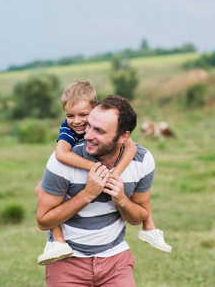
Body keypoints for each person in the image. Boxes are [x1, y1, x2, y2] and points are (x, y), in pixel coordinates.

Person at [37, 95, 171, 286]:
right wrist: (87, 195)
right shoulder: (63, 161)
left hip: (116, 262)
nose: (87, 135)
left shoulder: (142, 161)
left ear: (123, 137)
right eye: (89, 125)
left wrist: (122, 199)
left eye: (99, 130)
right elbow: (43, 221)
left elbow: (137, 218)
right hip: (66, 263)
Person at [35, 81, 138, 265]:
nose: (77, 121)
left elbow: (131, 147)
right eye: (69, 115)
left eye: (83, 115)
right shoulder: (68, 129)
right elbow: (61, 153)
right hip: (68, 175)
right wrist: (92, 167)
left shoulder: (100, 124)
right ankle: (57, 241)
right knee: (39, 190)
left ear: (96, 110)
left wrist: (115, 172)